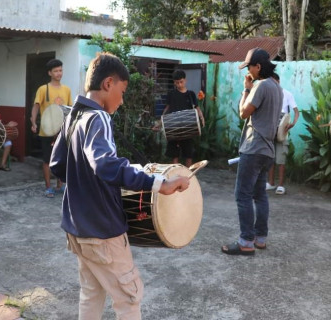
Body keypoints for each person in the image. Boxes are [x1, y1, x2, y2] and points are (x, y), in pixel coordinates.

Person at [50, 53, 190, 319]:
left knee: (91, 295)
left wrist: (85, 186)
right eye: (122, 92)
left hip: (76, 227)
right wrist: (160, 183)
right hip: (102, 230)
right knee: (129, 297)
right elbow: (105, 165)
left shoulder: (72, 117)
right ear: (108, 84)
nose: (122, 100)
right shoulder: (98, 117)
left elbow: (58, 165)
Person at [221, 48, 282, 256]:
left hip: (253, 147)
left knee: (242, 195)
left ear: (258, 67)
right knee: (259, 195)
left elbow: (242, 112)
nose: (248, 71)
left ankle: (246, 241)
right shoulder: (276, 86)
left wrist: (246, 89)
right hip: (267, 150)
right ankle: (260, 238)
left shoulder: (261, 86)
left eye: (249, 67)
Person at [30, 59, 72, 198]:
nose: (59, 73)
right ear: (49, 73)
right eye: (55, 71)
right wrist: (33, 121)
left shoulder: (66, 89)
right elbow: (36, 106)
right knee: (47, 160)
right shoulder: (43, 89)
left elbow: (70, 109)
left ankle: (60, 185)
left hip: (62, 131)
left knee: (62, 159)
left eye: (60, 70)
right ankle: (48, 187)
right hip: (46, 131)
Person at [161, 69, 205, 167]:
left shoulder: (191, 94)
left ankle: (188, 176)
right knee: (174, 154)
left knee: (189, 154)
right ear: (174, 82)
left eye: (181, 82)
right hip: (174, 127)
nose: (179, 84)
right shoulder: (171, 94)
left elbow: (197, 108)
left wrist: (201, 117)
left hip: (188, 128)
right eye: (177, 83)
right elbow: (167, 108)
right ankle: (175, 174)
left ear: (185, 80)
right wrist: (161, 122)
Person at [266, 73, 299, 195]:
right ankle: (270, 183)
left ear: (278, 81)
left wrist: (293, 123)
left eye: (274, 82)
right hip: (269, 128)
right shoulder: (268, 94)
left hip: (282, 128)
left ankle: (280, 185)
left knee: (281, 158)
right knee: (269, 157)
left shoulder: (287, 94)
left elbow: (296, 112)